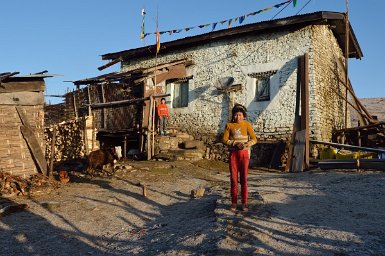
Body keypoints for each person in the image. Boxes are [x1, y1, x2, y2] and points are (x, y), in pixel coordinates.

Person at [223, 104, 257, 212]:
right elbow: (224, 139)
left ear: (243, 116)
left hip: (244, 154)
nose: (238, 117)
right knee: (233, 179)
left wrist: (246, 145)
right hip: (233, 155)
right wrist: (234, 143)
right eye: (236, 115)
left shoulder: (247, 125)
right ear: (233, 116)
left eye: (240, 115)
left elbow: (254, 139)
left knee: (244, 179)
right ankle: (233, 202)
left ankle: (244, 202)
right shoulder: (229, 125)